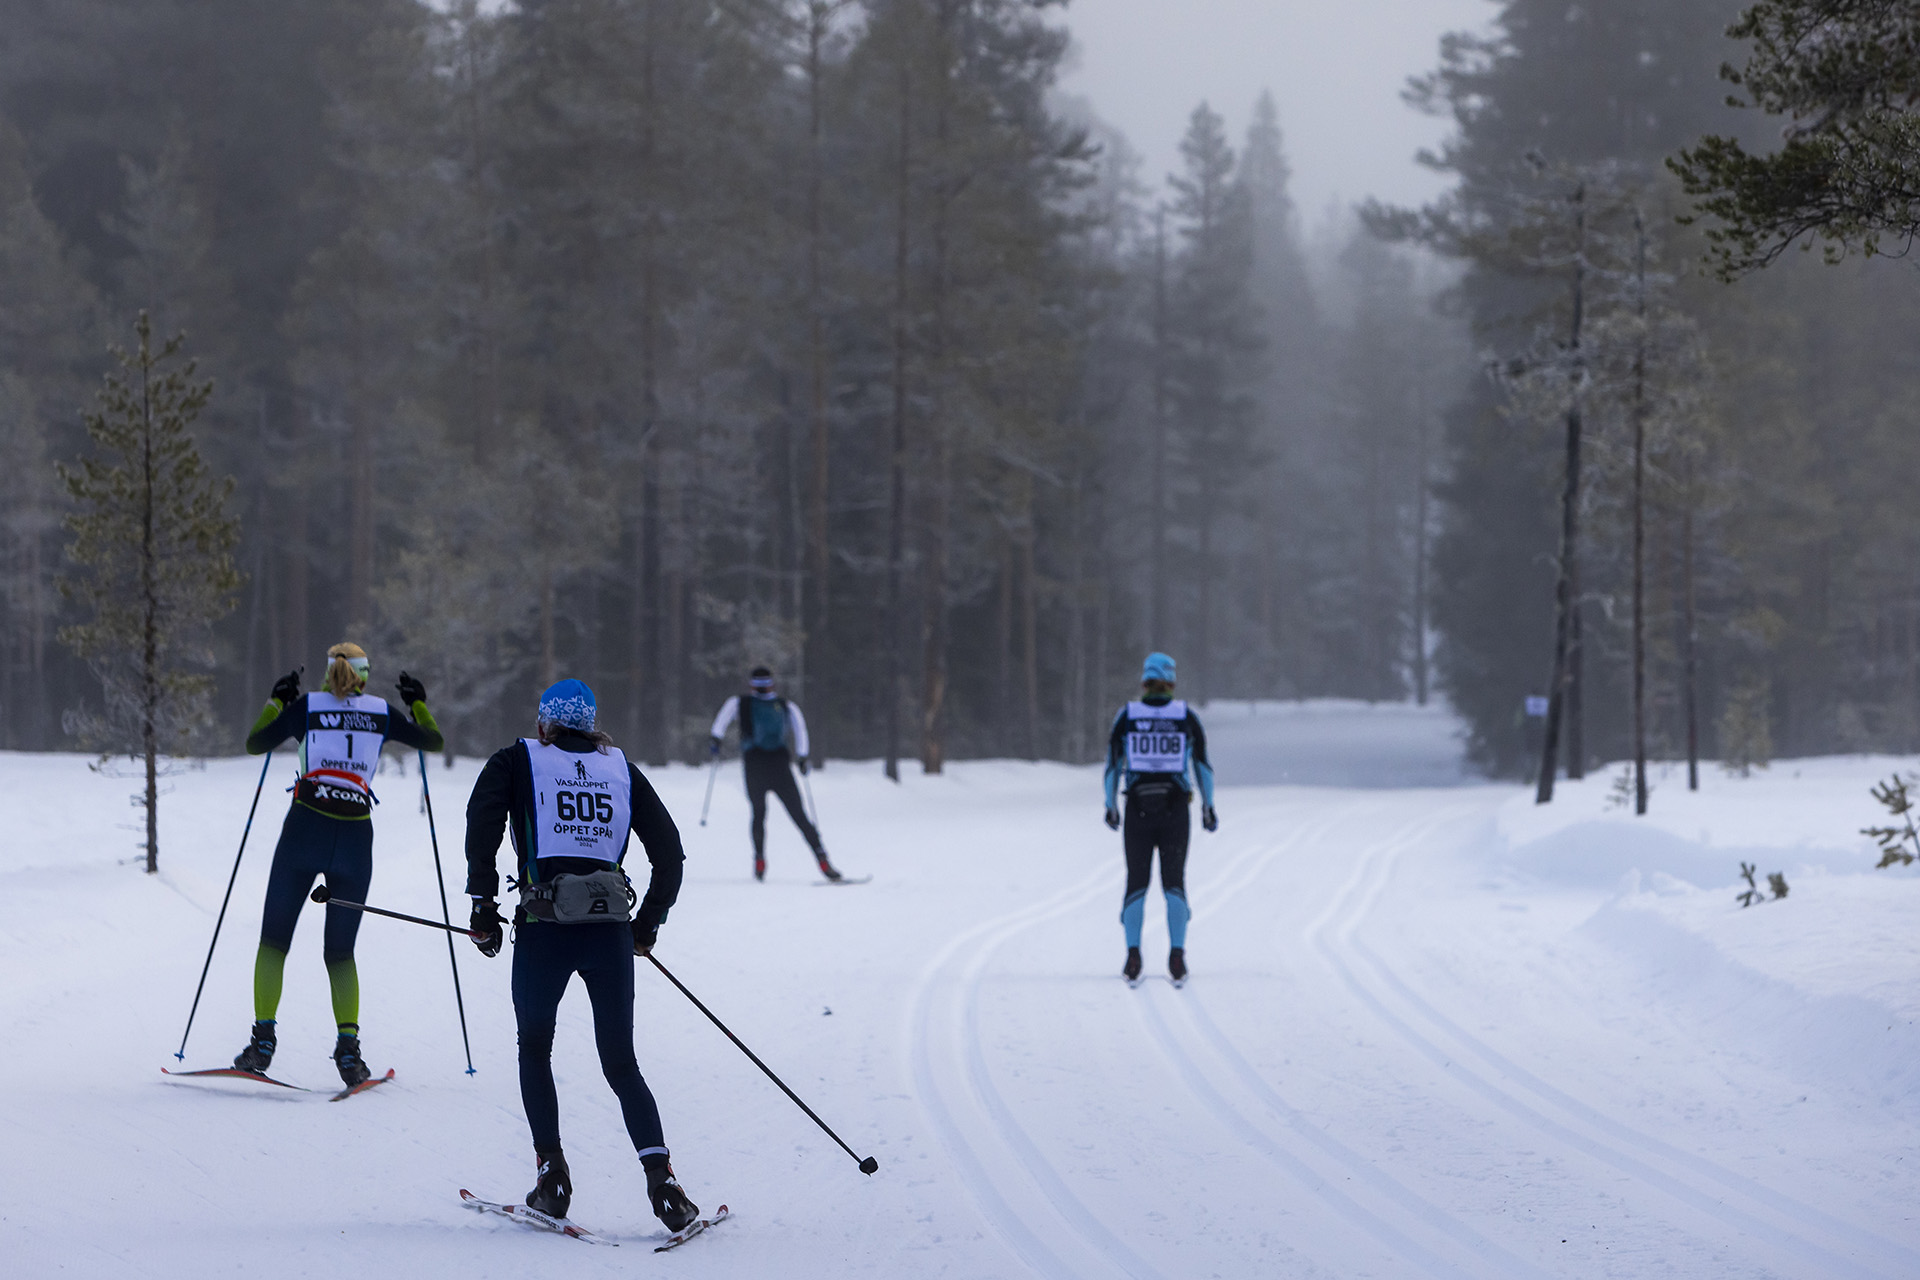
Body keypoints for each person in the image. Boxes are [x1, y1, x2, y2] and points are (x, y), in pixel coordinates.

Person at [463, 678, 700, 1233]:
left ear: (544, 723)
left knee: (535, 1049)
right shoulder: (619, 768)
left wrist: (483, 907)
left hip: (544, 928)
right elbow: (671, 855)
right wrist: (647, 926)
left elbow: (482, 825)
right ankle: (663, 1184)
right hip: (609, 934)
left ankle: (553, 1179)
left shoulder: (516, 760)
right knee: (621, 1063)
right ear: (591, 723)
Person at [232, 641, 445, 1086]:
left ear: (330, 673)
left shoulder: (308, 707)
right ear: (363, 675)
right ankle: (349, 1054)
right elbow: (433, 741)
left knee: (274, 941)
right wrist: (418, 704)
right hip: (354, 838)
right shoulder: (381, 711)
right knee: (340, 952)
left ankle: (262, 1043)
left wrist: (277, 700)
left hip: (304, 829)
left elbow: (255, 743)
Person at [1102, 652, 1217, 984]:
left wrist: (1110, 804)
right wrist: (1208, 806)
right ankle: (1177, 955)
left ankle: (1133, 955)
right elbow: (1203, 767)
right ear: (1172, 682)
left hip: (1137, 810)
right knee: (1174, 883)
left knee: (1136, 884)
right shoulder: (1186, 718)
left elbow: (1112, 765)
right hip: (1175, 812)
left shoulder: (1127, 717)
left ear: (1144, 681)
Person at [708, 666, 842, 882]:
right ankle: (823, 859)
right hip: (780, 765)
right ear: (772, 683)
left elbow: (721, 721)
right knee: (799, 815)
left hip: (754, 764)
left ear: (752, 684)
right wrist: (802, 756)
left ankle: (759, 860)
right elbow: (800, 730)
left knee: (759, 814)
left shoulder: (739, 703)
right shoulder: (785, 705)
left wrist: (715, 740)